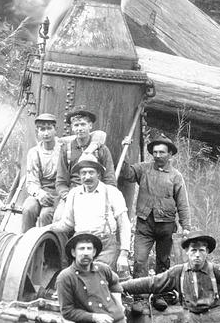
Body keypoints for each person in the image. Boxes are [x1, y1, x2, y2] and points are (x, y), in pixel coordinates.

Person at [120, 135, 191, 278]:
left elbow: (183, 203)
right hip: (144, 224)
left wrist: (186, 226)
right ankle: (139, 295)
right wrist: (125, 151)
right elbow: (128, 174)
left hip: (166, 225)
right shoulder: (143, 169)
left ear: (170, 154)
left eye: (162, 152)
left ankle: (161, 296)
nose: (158, 155)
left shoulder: (176, 176)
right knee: (139, 260)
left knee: (163, 262)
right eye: (155, 152)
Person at [50, 154, 132, 277]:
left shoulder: (111, 192)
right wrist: (47, 228)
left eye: (91, 172)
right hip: (81, 245)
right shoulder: (74, 194)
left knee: (98, 280)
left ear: (98, 173)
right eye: (83, 173)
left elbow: (124, 223)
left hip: (105, 247)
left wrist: (124, 254)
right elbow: (67, 224)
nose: (87, 177)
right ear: (79, 175)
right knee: (75, 282)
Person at [55, 106, 116, 215]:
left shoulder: (101, 149)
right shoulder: (66, 149)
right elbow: (61, 181)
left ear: (90, 126)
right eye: (76, 125)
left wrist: (104, 197)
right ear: (72, 128)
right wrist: (67, 196)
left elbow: (109, 179)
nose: (80, 128)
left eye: (83, 124)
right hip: (72, 195)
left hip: (96, 194)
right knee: (59, 217)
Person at [21, 113, 61, 231]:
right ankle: (26, 241)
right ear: (37, 132)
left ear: (55, 130)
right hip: (41, 190)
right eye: (42, 129)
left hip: (57, 192)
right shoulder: (34, 153)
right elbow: (31, 181)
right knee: (28, 208)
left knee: (46, 215)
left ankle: (46, 246)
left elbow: (99, 135)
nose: (46, 133)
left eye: (49, 128)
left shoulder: (63, 148)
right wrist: (39, 194)